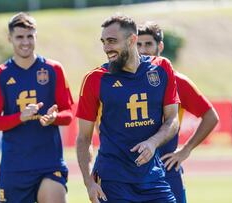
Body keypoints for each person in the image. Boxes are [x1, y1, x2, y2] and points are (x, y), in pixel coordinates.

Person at [76, 14, 180, 203]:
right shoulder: (95, 79)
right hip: (113, 181)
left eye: (112, 41)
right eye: (104, 42)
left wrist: (153, 142)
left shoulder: (162, 68)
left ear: (132, 40)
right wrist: (88, 182)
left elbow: (173, 120)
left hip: (153, 178)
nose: (106, 48)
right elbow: (83, 138)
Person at [0, 12, 73, 203]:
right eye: (19, 37)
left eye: (29, 36)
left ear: (35, 36)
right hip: (15, 166)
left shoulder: (53, 69)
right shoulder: (0, 74)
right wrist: (19, 117)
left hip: (49, 163)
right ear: (10, 38)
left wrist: (54, 118)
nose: (25, 42)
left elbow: (68, 114)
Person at [137, 21, 219, 203]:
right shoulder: (123, 82)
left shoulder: (177, 81)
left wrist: (185, 150)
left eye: (148, 44)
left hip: (166, 168)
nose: (143, 50)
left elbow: (211, 116)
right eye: (138, 44)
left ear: (160, 46)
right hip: (131, 171)